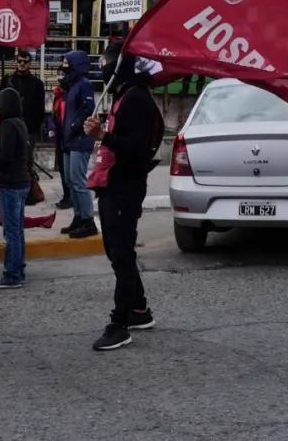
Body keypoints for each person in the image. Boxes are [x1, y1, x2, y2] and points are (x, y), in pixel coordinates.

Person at [84, 43, 164, 351]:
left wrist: (103, 136)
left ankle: (119, 324)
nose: (103, 70)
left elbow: (139, 147)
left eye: (106, 64)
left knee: (122, 253)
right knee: (118, 252)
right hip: (113, 184)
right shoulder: (124, 96)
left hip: (125, 188)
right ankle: (139, 309)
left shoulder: (136, 100)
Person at [0, 88, 31, 289]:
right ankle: (18, 269)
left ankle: (12, 274)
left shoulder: (6, 125)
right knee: (17, 230)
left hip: (10, 184)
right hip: (21, 182)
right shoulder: (19, 122)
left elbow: (5, 156)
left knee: (11, 231)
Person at [59, 51, 97, 239]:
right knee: (69, 181)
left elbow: (88, 110)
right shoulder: (71, 85)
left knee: (78, 181)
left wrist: (75, 127)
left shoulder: (84, 85)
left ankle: (88, 220)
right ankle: (78, 216)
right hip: (69, 139)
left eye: (66, 62)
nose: (63, 65)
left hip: (80, 140)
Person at [0, 49, 45, 168]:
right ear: (16, 62)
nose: (22, 64)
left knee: (25, 163)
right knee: (7, 161)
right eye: (20, 61)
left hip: (28, 130)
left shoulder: (37, 83)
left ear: (30, 64)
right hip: (7, 128)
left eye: (25, 62)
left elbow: (40, 109)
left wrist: (30, 128)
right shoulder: (7, 80)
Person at [47, 67, 71, 212]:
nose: (60, 77)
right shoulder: (58, 94)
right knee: (62, 168)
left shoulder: (71, 93)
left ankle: (71, 197)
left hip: (69, 136)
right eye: (58, 75)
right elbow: (54, 114)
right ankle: (66, 195)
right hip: (60, 135)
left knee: (70, 171)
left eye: (63, 74)